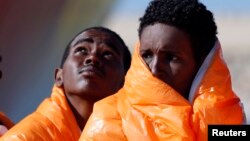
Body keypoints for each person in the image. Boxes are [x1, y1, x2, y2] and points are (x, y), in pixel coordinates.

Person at [80, 0, 245, 141]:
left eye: (171, 58)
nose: (154, 69)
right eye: (147, 55)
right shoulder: (107, 122)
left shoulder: (232, 121)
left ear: (202, 64)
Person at [0, 26, 131, 140]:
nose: (93, 58)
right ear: (59, 76)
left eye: (108, 54)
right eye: (82, 50)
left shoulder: (138, 134)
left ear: (124, 83)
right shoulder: (25, 137)